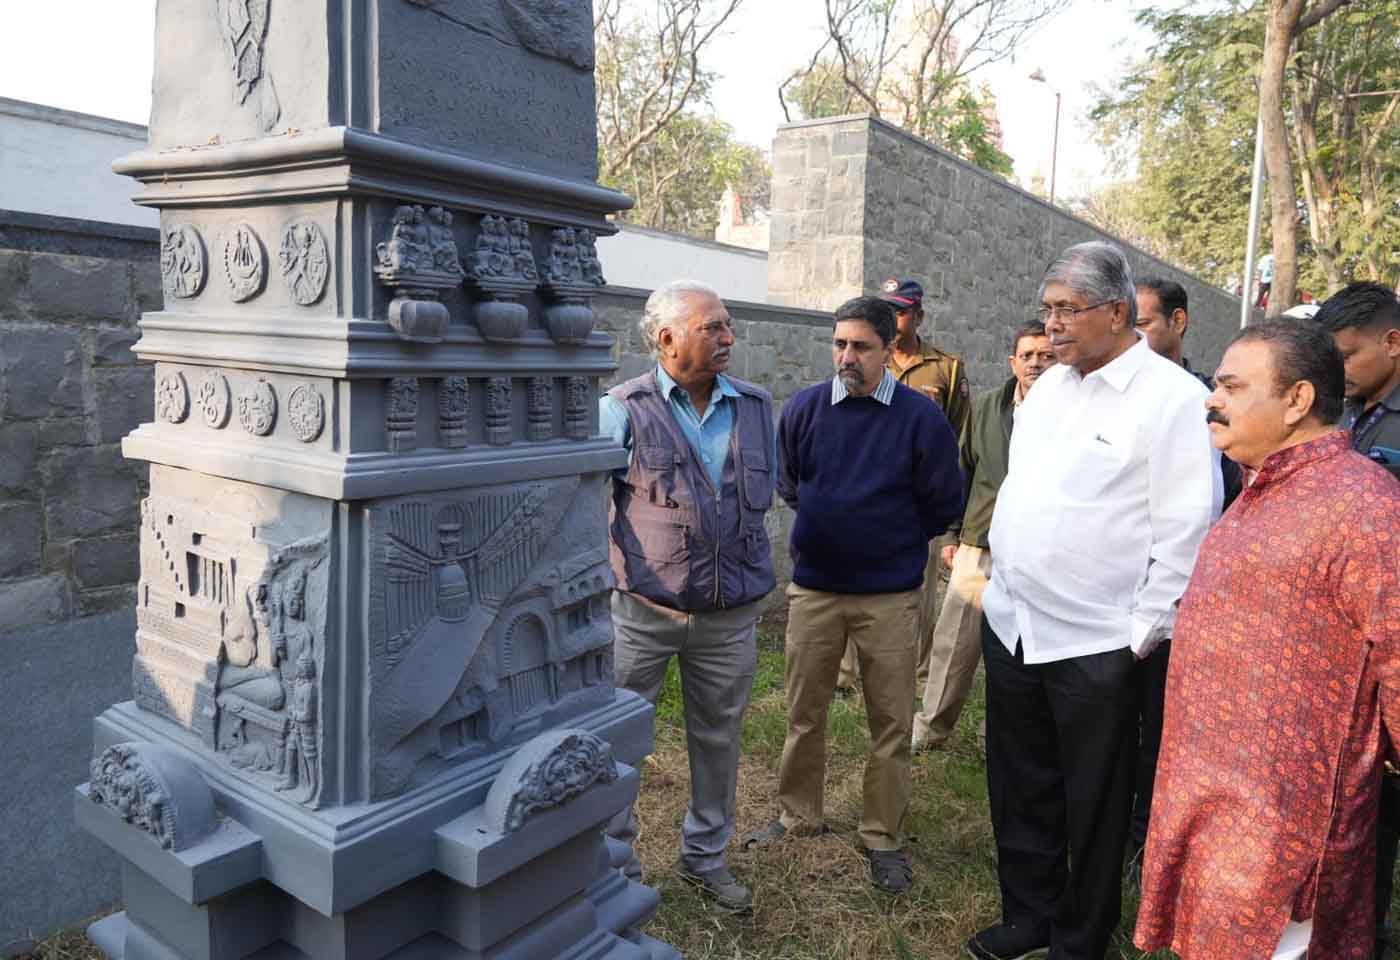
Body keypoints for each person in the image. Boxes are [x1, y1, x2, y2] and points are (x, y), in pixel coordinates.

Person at [969, 241, 1221, 960]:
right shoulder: (1050, 388)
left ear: (1116, 312)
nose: (1050, 326)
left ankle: (1081, 936)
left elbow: (1186, 528)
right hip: (1015, 623)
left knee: (1095, 799)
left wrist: (1140, 635)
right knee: (1021, 782)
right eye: (1047, 309)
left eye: (1065, 310)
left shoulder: (1171, 399)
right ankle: (1029, 915)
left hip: (1099, 642)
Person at [1135, 320, 1400, 960]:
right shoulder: (1259, 489)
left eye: (1230, 386)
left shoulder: (1365, 506)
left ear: (1297, 400)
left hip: (1284, 822)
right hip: (1212, 797)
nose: (1211, 398)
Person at [742, 296, 963, 895]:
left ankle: (882, 835)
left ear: (890, 348)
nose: (846, 356)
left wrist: (887, 540)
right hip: (815, 590)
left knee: (890, 720)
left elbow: (944, 501)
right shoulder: (807, 409)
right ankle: (797, 816)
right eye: (839, 343)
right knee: (802, 712)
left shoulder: (920, 419)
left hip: (889, 597)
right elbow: (791, 482)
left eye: (860, 346)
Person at [599, 279, 777, 913]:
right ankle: (614, 868)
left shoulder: (756, 407)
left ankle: (706, 858)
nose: (728, 337)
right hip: (641, 614)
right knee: (618, 745)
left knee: (719, 740)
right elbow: (586, 507)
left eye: (728, 325)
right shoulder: (620, 408)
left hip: (728, 619)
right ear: (667, 338)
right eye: (713, 327)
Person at [1126, 278, 1243, 869]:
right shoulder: (1113, 399)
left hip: (1184, 600)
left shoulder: (1204, 404)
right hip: (1117, 600)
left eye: (1143, 323)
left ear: (1179, 322)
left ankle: (1154, 835)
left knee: (1164, 728)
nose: (1133, 336)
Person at [910, 322, 1054, 752]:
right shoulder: (989, 407)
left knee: (1019, 649)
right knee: (954, 640)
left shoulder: (1073, 414)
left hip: (1041, 550)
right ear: (1013, 361)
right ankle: (931, 726)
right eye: (1027, 355)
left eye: (1046, 355)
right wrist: (954, 532)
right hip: (980, 543)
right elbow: (963, 472)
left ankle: (1000, 734)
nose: (1036, 363)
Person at [835, 278, 972, 694]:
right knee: (850, 584)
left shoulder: (945, 368)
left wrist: (950, 524)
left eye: (902, 311)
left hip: (918, 504)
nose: (895, 319)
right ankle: (845, 675)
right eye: (889, 310)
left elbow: (958, 442)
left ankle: (914, 677)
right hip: (862, 498)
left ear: (918, 316)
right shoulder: (862, 359)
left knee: (920, 595)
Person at [1316, 282, 1400, 957]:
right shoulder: (1348, 414)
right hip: (1349, 638)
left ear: (1392, 342)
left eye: (1347, 356)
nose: (1336, 372)